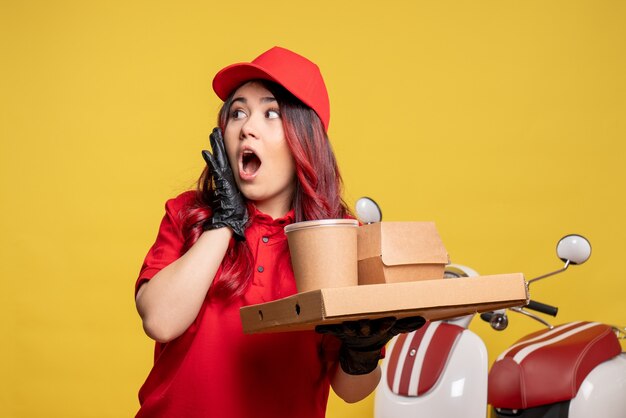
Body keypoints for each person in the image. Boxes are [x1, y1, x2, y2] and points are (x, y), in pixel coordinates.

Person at [134, 46, 424, 418]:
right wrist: (224, 223)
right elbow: (159, 320)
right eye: (238, 112)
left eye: (271, 113)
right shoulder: (188, 213)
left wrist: (362, 353)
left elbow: (350, 392)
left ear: (304, 139)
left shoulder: (338, 237)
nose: (247, 127)